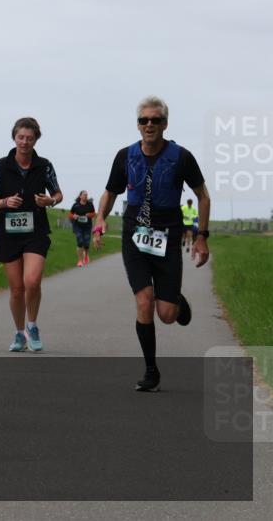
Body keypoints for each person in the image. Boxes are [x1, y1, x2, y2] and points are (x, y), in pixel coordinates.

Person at [93, 96, 210, 392]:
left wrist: (201, 236)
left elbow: (203, 196)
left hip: (168, 238)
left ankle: (175, 302)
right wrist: (100, 218)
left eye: (155, 120)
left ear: (165, 124)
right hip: (135, 236)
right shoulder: (125, 156)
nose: (149, 125)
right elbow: (110, 192)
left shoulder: (181, 157)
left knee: (167, 315)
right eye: (143, 120)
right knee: (144, 300)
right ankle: (151, 370)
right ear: (137, 125)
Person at [0, 117, 63, 352]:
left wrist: (50, 201)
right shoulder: (1, 165)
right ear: (14, 138)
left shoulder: (45, 166)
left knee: (32, 281)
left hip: (36, 231)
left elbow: (58, 194)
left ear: (36, 139)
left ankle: (32, 326)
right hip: (8, 233)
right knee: (17, 288)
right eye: (21, 137)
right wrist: (5, 202)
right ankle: (19, 333)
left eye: (29, 138)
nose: (25, 142)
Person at [69, 191, 95, 266]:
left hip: (87, 226)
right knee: (80, 241)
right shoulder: (76, 205)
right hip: (78, 226)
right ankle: (80, 260)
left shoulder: (90, 204)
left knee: (86, 242)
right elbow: (70, 214)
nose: (86, 196)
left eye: (86, 195)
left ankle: (86, 255)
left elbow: (94, 214)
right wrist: (74, 216)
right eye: (84, 195)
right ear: (80, 196)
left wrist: (89, 215)